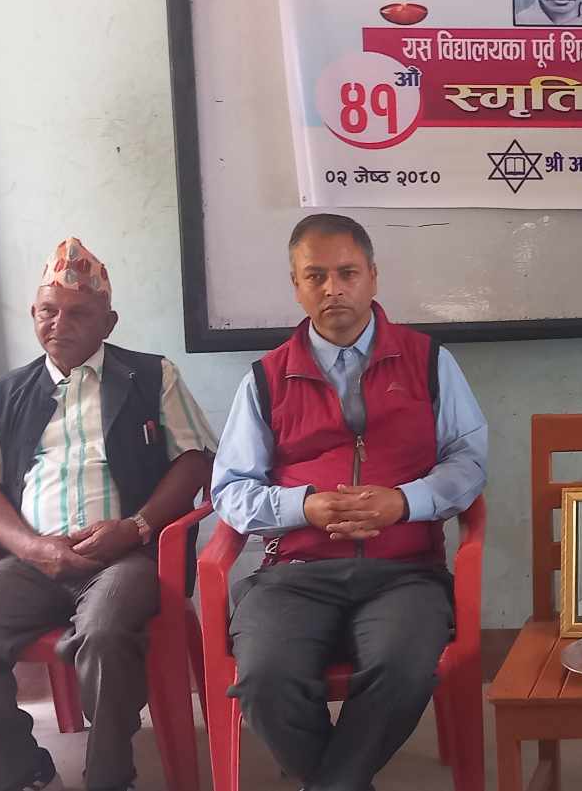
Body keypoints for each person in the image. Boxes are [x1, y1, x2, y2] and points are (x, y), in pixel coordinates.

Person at [0, 238, 217, 791]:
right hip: (34, 558)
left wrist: (135, 527)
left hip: (125, 557)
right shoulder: (4, 392)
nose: (60, 324)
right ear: (33, 314)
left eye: (79, 313)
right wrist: (33, 547)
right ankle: (24, 772)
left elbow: (194, 459)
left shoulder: (151, 376)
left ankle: (109, 776)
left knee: (103, 632)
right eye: (48, 311)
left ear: (109, 322)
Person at [211, 213, 488, 791]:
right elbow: (231, 489)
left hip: (404, 572)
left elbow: (469, 460)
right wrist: (302, 508)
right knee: (264, 678)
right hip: (296, 572)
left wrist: (405, 502)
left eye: (347, 273)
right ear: (296, 286)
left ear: (373, 277)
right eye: (315, 276)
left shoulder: (428, 360)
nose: (333, 288)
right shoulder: (266, 378)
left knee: (401, 666)